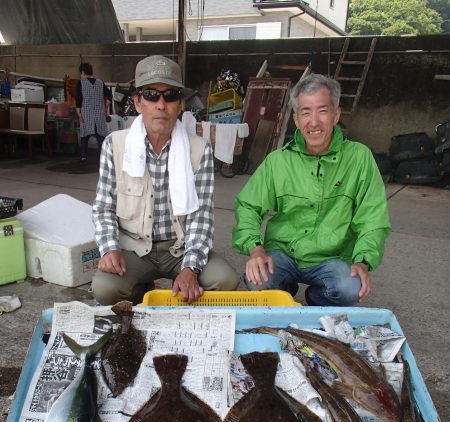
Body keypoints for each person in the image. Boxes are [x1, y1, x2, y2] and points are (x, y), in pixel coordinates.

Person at [91, 54, 239, 305]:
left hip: (179, 248)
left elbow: (201, 217)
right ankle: (140, 289)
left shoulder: (198, 149)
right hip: (134, 248)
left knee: (225, 281)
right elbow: (103, 208)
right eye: (151, 95)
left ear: (179, 104)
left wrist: (190, 268)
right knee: (104, 289)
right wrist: (109, 249)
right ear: (137, 103)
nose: (161, 104)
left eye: (170, 95)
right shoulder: (114, 145)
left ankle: (180, 284)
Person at [232, 73, 391, 306]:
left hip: (332, 257)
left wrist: (363, 261)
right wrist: (255, 249)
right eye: (306, 112)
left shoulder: (359, 158)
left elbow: (373, 218)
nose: (313, 122)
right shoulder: (278, 161)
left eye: (323, 111)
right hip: (284, 253)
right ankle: (284, 293)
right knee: (257, 281)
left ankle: (316, 300)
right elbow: (248, 206)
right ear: (296, 119)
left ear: (336, 114)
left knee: (350, 288)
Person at [75, 62, 112, 163]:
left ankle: (83, 157)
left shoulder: (80, 83)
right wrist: (105, 108)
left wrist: (79, 114)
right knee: (100, 136)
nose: (80, 76)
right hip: (99, 114)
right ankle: (102, 157)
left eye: (81, 73)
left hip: (86, 114)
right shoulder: (100, 82)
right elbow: (109, 97)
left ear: (83, 72)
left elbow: (78, 100)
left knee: (84, 136)